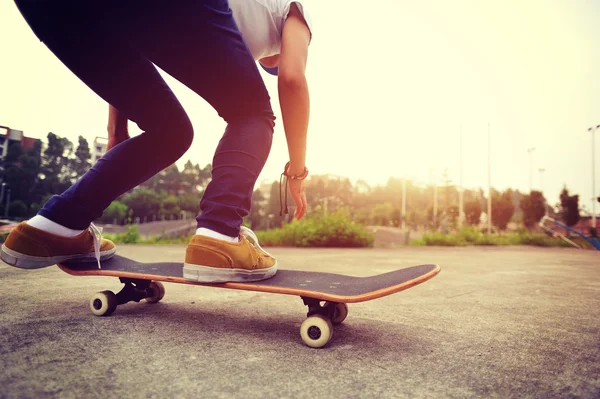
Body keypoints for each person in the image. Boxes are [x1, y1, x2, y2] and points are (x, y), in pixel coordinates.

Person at [1, 0, 312, 283]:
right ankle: (221, 234)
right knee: (253, 112)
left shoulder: (233, 25)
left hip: (50, 10)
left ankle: (56, 226)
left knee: (170, 132)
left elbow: (127, 53)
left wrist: (117, 133)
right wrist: (297, 171)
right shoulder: (295, 8)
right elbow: (292, 79)